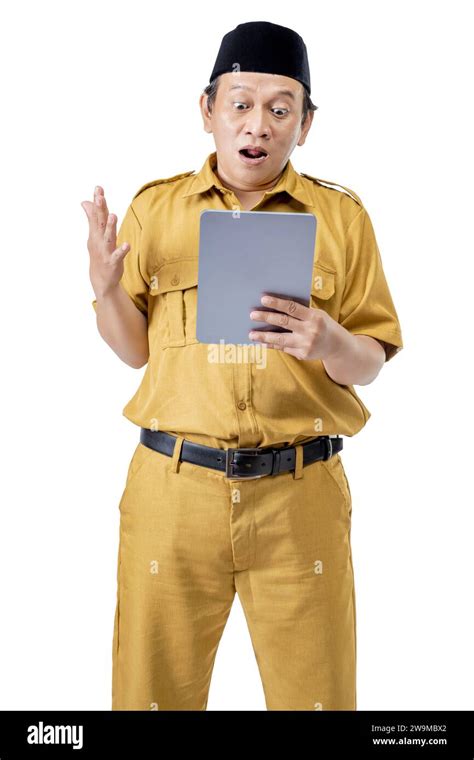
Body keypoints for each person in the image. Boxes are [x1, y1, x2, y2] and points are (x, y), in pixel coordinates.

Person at [81, 20, 403, 711]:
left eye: (281, 108)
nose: (258, 124)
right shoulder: (156, 209)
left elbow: (372, 360)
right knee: (149, 698)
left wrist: (328, 341)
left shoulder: (342, 220)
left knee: (317, 700)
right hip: (173, 493)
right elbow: (132, 348)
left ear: (305, 124)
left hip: (300, 495)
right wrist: (107, 289)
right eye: (241, 103)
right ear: (208, 111)